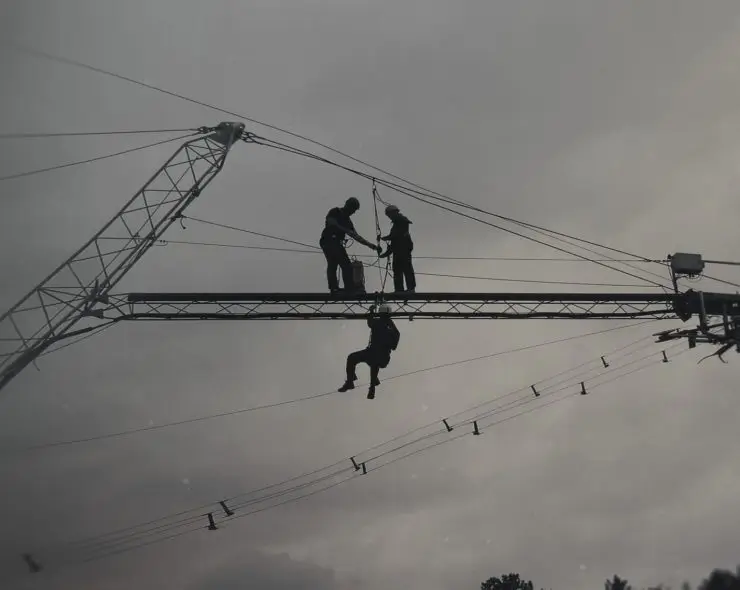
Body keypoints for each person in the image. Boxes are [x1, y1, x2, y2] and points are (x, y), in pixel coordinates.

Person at [338, 303, 400, 399]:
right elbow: (394, 344)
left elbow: (371, 323)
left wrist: (371, 311)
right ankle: (353, 382)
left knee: (371, 360)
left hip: (378, 355)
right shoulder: (390, 327)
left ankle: (370, 386)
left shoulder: (382, 324)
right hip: (376, 354)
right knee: (353, 358)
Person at [320, 197, 380, 294]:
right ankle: (347, 288)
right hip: (329, 240)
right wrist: (345, 230)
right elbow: (331, 222)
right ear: (348, 206)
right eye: (353, 209)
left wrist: (370, 245)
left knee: (334, 264)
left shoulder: (347, 220)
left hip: (333, 242)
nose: (353, 212)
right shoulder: (335, 211)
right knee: (344, 264)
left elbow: (355, 235)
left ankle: (335, 288)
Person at [379, 205, 416, 293]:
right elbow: (393, 244)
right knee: (397, 270)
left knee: (406, 269)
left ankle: (410, 288)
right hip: (398, 251)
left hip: (404, 250)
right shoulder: (397, 223)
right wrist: (385, 254)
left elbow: (396, 236)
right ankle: (399, 290)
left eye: (389, 215)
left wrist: (386, 238)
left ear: (394, 212)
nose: (389, 217)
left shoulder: (402, 221)